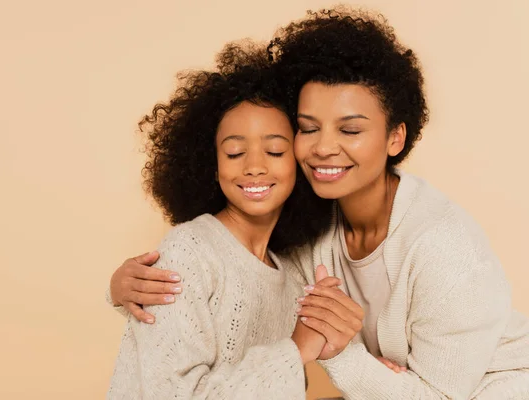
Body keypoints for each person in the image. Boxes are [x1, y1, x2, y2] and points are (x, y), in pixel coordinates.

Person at [108, 8, 529, 399]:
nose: (324, 147)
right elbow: (224, 275)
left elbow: (438, 395)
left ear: (395, 138)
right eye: (308, 128)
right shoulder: (306, 226)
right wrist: (125, 288)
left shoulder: (444, 246)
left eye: (350, 130)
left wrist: (339, 354)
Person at [107, 41, 352, 400]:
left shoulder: (293, 272)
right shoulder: (188, 250)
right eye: (235, 152)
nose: (254, 166)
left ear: (300, 161)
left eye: (275, 150)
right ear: (211, 164)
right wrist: (295, 351)